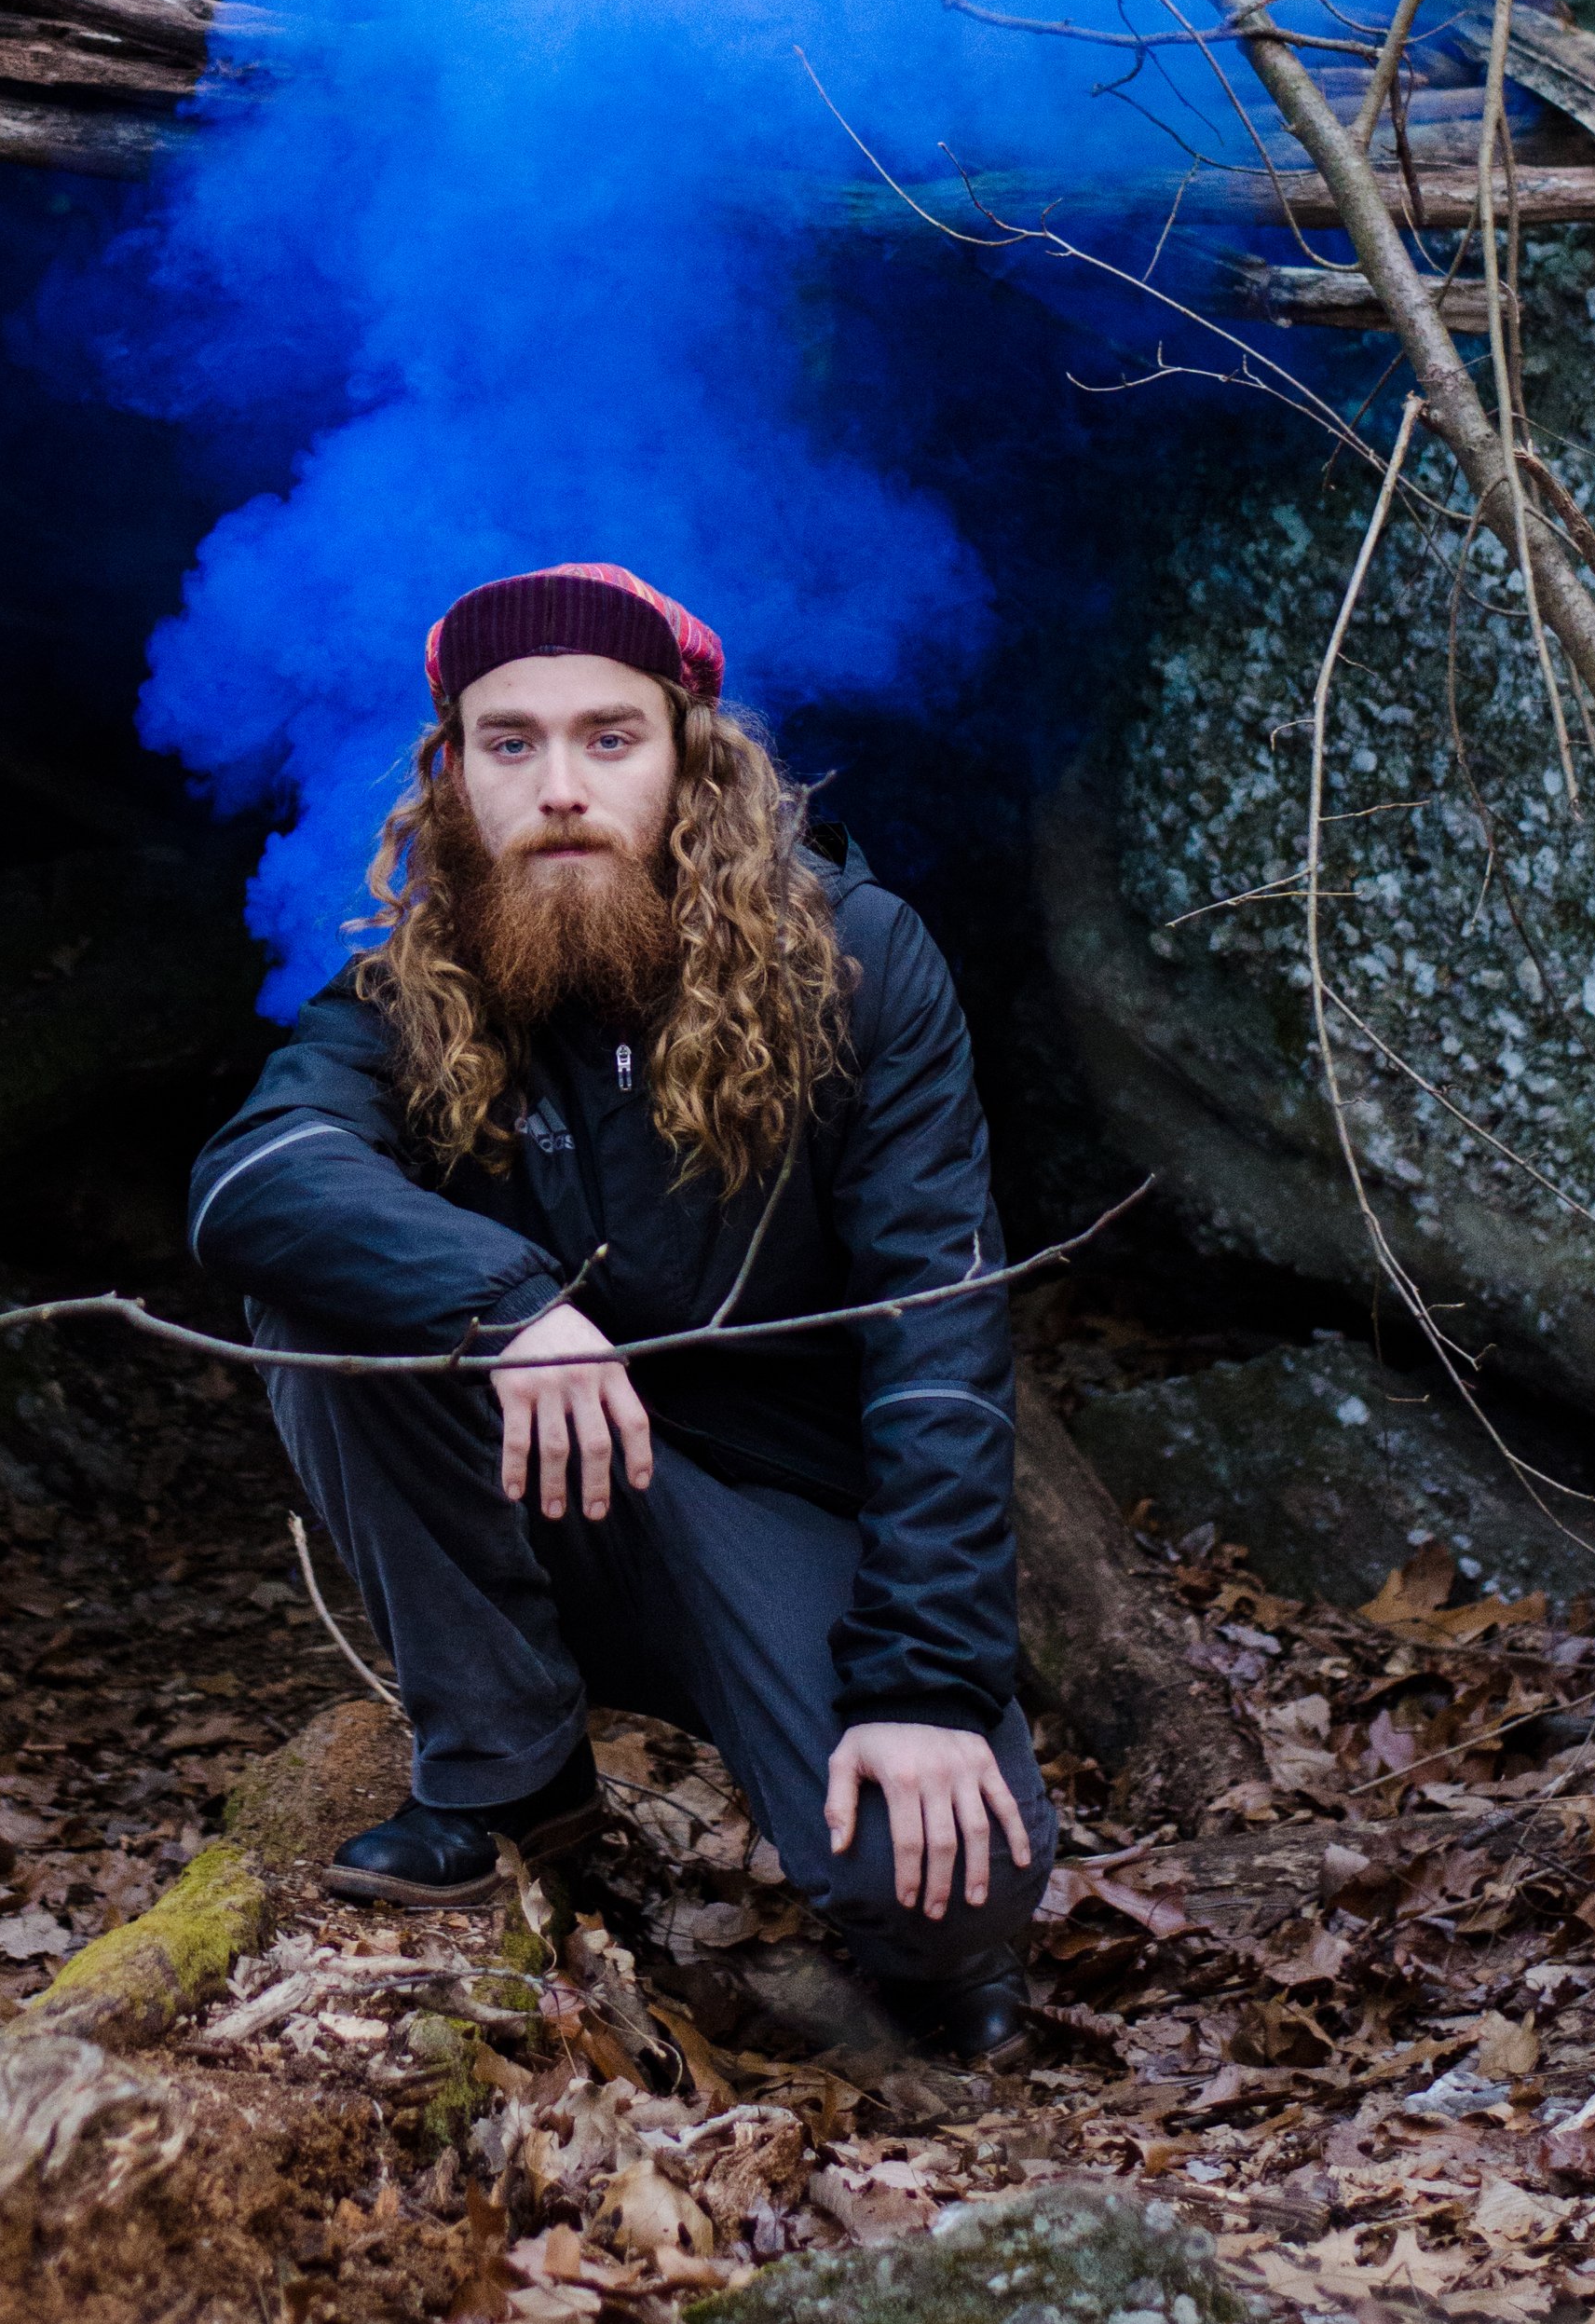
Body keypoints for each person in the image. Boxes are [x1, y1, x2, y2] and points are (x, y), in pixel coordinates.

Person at [187, 559, 1055, 2060]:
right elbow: (250, 1181)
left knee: (943, 1909)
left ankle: (891, 1831)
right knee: (317, 1291)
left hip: (781, 1505)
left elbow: (941, 1338)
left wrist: (926, 1681)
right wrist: (508, 1301)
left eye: (610, 735)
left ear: (693, 758)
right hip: (541, 1491)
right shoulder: (413, 991)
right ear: (453, 779)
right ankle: (510, 1774)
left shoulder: (861, 965)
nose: (563, 784)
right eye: (509, 742)